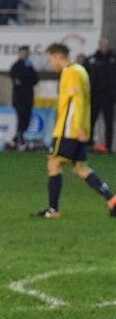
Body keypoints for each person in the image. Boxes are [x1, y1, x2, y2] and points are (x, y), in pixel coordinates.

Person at [35, 42, 116, 219]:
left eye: (50, 59)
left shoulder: (69, 72)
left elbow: (77, 101)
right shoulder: (80, 70)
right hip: (78, 128)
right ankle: (111, 199)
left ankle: (53, 209)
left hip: (68, 129)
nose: (50, 64)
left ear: (58, 56)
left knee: (54, 163)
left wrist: (77, 127)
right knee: (80, 168)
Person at [85, 38, 116, 153]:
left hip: (109, 97)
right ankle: (89, 145)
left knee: (109, 122)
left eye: (106, 45)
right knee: (91, 121)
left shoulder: (113, 60)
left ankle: (108, 146)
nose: (104, 47)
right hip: (95, 96)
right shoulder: (92, 60)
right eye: (103, 45)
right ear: (99, 45)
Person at [10, 46, 39, 149]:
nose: (24, 54)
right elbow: (18, 81)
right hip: (19, 98)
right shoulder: (15, 66)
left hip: (28, 97)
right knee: (21, 119)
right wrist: (27, 78)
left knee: (27, 119)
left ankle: (15, 139)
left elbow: (35, 80)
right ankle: (19, 140)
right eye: (22, 52)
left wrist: (28, 73)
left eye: (26, 52)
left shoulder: (30, 66)